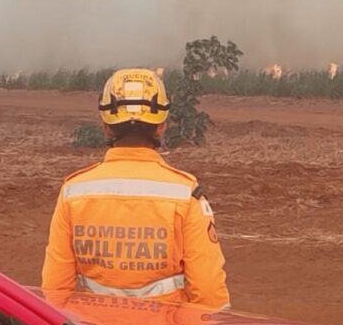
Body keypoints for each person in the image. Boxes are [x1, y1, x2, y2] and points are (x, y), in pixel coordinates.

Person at [42, 68, 230, 309]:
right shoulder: (186, 194)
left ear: (106, 125)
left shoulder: (74, 192)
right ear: (162, 125)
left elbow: (55, 293)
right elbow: (208, 293)